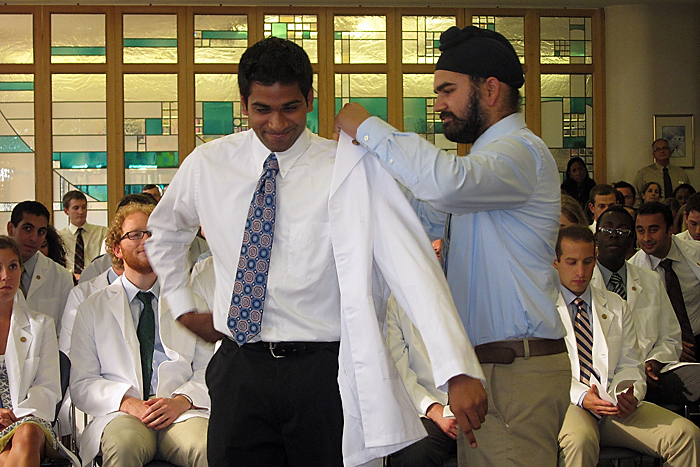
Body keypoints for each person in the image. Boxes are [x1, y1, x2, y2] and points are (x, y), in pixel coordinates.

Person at [146, 37, 485, 467]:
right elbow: (164, 231)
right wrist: (180, 304)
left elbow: (413, 266)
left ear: (309, 99)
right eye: (261, 110)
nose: (275, 124)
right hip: (239, 368)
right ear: (244, 103)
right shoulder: (209, 164)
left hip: (321, 374)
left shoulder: (347, 168)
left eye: (289, 107)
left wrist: (455, 367)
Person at [335, 25, 571, 467]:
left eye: (447, 90)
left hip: (517, 370)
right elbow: (419, 212)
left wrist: (367, 128)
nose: (438, 104)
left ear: (490, 89)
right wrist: (359, 167)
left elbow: (442, 185)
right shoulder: (480, 169)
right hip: (489, 370)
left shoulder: (521, 153)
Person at [70, 203, 213, 467]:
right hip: (123, 414)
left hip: (181, 412)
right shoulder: (92, 308)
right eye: (135, 234)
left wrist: (182, 401)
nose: (145, 240)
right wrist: (127, 402)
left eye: (153, 234)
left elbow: (209, 369)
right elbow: (82, 382)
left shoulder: (191, 302)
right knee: (123, 448)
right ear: (116, 249)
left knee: (207, 448)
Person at [553, 225, 700, 466]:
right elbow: (544, 374)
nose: (581, 271)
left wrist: (627, 393)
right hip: (567, 404)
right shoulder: (541, 308)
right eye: (572, 262)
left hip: (613, 407)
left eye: (588, 262)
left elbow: (631, 363)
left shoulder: (616, 305)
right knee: (580, 440)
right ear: (555, 262)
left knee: (686, 435)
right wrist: (582, 397)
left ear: (595, 259)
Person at [592, 205, 700, 404]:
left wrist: (653, 363)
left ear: (632, 239)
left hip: (654, 374)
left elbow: (670, 338)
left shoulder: (650, 280)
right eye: (607, 230)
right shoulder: (583, 283)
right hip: (601, 378)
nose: (614, 236)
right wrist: (630, 370)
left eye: (622, 231)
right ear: (596, 237)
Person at [0, 236, 61, 467]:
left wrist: (16, 415)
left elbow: (48, 386)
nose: (6, 276)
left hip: (28, 417)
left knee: (27, 434)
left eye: (13, 266)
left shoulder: (41, 325)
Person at [385, 298, 457, 467]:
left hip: (477, 405)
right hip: (427, 408)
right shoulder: (395, 302)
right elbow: (399, 371)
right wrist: (433, 409)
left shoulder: (469, 289)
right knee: (415, 455)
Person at [631, 202, 700, 363]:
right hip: (663, 349)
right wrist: (671, 346)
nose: (646, 238)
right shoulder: (633, 269)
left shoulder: (695, 253)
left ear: (670, 229)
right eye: (641, 231)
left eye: (653, 230)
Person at [6, 201, 73, 334]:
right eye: (27, 229)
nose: (34, 238)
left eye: (41, 232)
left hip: (46, 353)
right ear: (10, 229)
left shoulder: (61, 277)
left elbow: (66, 332)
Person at [58, 191, 108, 280]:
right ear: (66, 211)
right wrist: (72, 275)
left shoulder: (102, 232)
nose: (81, 212)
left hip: (97, 279)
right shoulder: (59, 237)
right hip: (69, 280)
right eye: (76, 208)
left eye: (84, 207)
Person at [634, 139, 690, 203]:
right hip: (654, 210)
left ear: (670, 151)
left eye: (665, 148)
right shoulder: (644, 173)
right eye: (658, 149)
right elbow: (637, 196)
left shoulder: (681, 173)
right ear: (653, 155)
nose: (662, 151)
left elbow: (689, 195)